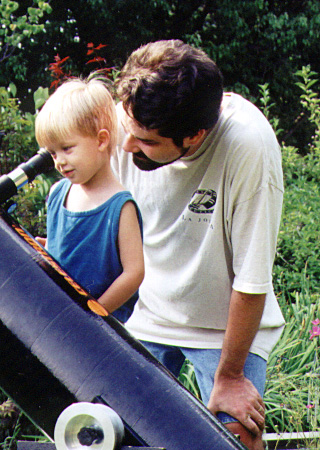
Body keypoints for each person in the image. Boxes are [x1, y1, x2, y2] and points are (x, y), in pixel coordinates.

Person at [112, 39, 285, 450]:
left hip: (225, 327)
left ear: (195, 136)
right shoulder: (130, 121)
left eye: (146, 142)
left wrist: (229, 377)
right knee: (104, 428)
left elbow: (251, 279)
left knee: (236, 434)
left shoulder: (248, 147)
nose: (125, 147)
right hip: (150, 313)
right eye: (127, 129)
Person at [35, 77, 144, 323]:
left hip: (98, 330)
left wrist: (93, 313)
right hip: (58, 317)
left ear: (101, 140)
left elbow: (134, 272)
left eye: (67, 148)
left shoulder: (120, 207)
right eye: (53, 153)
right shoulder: (58, 194)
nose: (59, 161)